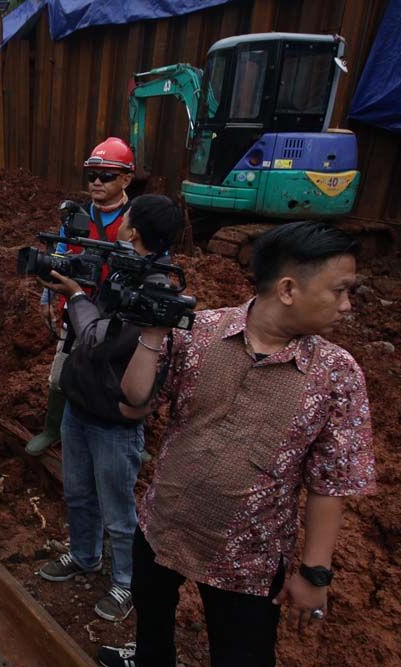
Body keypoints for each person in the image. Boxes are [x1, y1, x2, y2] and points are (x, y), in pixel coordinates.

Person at [98, 221, 377, 667]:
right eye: (340, 290)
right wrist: (153, 333)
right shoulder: (201, 331)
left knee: (241, 654)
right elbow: (136, 403)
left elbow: (331, 482)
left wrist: (314, 572)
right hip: (162, 528)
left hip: (248, 559)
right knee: (152, 626)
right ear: (288, 289)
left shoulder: (336, 374)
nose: (346, 306)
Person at [36, 195, 183, 625]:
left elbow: (99, 339)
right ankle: (84, 556)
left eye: (127, 219)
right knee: (78, 493)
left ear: (134, 230)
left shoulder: (157, 289)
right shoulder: (124, 266)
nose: (120, 223)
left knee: (119, 510)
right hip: (82, 403)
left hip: (115, 419)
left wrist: (77, 296)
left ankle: (125, 582)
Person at [26, 137, 136, 455]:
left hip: (119, 315)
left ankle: (130, 433)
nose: (97, 182)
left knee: (123, 375)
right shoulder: (75, 217)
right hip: (75, 308)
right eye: (92, 175)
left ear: (126, 179)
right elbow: (60, 254)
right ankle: (52, 428)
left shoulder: (136, 219)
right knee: (62, 371)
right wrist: (47, 300)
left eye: (106, 176)